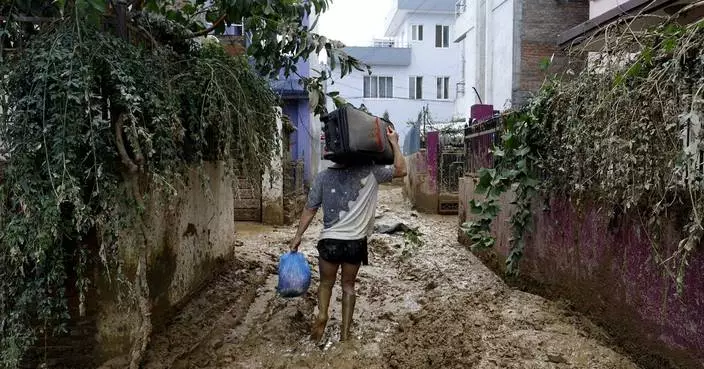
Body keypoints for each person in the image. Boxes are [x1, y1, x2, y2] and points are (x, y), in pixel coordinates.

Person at [289, 125, 407, 342]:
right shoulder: (373, 172)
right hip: (354, 243)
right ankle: (345, 335)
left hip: (329, 242)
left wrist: (298, 237)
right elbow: (401, 170)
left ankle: (322, 315)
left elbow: (310, 209)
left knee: (325, 283)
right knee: (348, 286)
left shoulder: (323, 177)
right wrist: (395, 143)